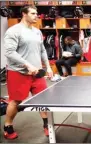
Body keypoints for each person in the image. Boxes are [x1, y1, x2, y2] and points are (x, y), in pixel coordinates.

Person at [3, 5, 53, 139]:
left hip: (37, 73)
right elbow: (9, 52)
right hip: (18, 72)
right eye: (33, 13)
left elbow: (42, 50)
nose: (36, 15)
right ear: (24, 14)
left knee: (43, 100)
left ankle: (47, 124)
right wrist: (27, 65)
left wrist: (48, 66)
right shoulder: (14, 31)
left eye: (36, 13)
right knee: (16, 101)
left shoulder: (37, 32)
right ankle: (8, 125)